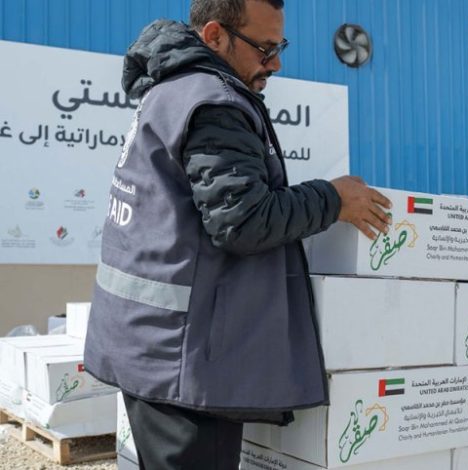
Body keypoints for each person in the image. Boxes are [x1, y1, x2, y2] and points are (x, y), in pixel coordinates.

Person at [84, 1, 392, 468]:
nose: (276, 63)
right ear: (214, 36)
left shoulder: (173, 90)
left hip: (152, 343)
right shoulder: (215, 102)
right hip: (182, 359)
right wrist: (333, 199)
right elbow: (243, 221)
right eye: (265, 48)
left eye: (280, 46)